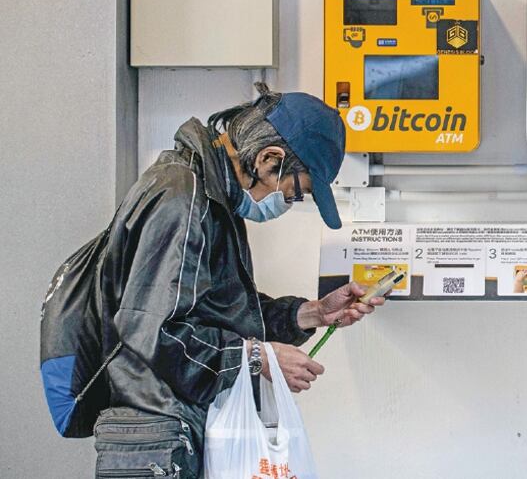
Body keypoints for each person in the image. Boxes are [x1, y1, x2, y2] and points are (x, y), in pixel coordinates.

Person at [91, 83, 382, 478]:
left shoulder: (210, 200)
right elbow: (150, 329)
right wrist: (257, 357)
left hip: (175, 429)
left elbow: (217, 308)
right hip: (155, 438)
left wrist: (311, 313)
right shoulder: (181, 196)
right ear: (268, 159)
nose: (288, 202)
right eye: (296, 193)